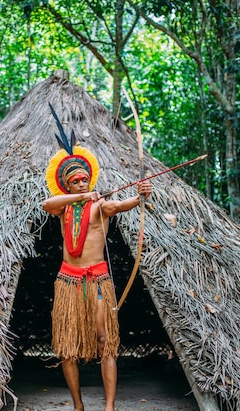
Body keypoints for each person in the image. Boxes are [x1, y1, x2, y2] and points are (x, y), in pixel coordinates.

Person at [42, 119, 152, 411]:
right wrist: (79, 196)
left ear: (90, 179)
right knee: (66, 347)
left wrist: (139, 196)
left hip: (97, 280)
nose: (81, 183)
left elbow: (119, 205)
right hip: (68, 280)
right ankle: (78, 406)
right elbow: (46, 204)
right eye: (75, 181)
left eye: (84, 180)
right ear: (67, 184)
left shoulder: (101, 205)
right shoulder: (64, 207)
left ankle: (109, 407)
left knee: (105, 341)